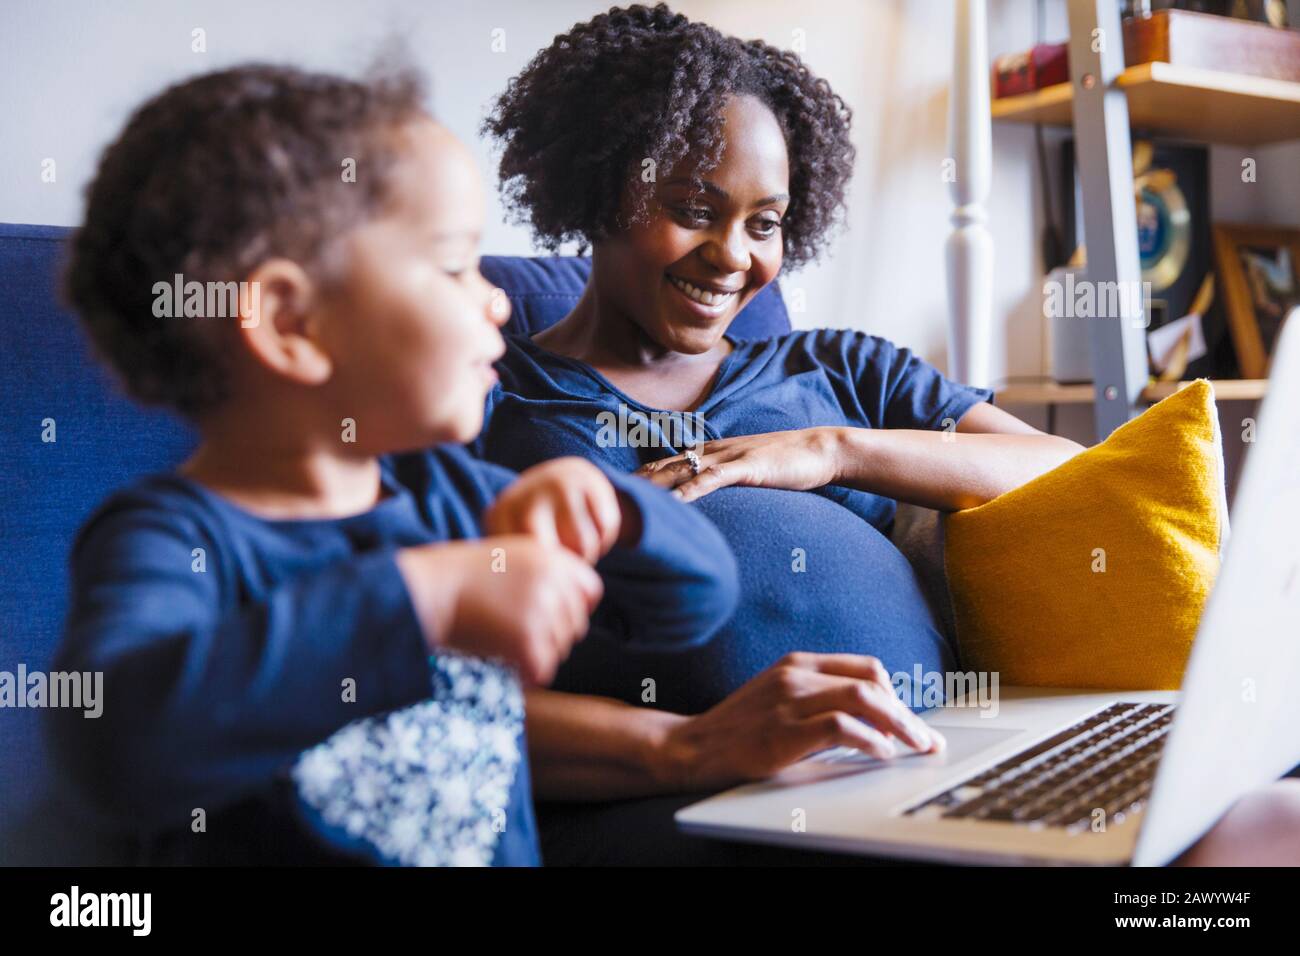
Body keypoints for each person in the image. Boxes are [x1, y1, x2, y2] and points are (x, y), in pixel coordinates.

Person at [475, 3, 1300, 866]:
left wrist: (835, 447)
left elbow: (1067, 472)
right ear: (602, 185)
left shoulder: (835, 370)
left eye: (765, 223)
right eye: (693, 208)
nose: (732, 255)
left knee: (1273, 825)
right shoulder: (492, 402)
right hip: (719, 798)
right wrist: (698, 743)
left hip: (941, 764)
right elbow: (428, 693)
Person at [47, 62, 738, 866]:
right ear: (290, 322)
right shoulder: (174, 539)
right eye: (453, 267)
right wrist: (424, 599)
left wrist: (614, 512)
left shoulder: (453, 499)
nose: (499, 301)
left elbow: (697, 604)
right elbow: (109, 745)